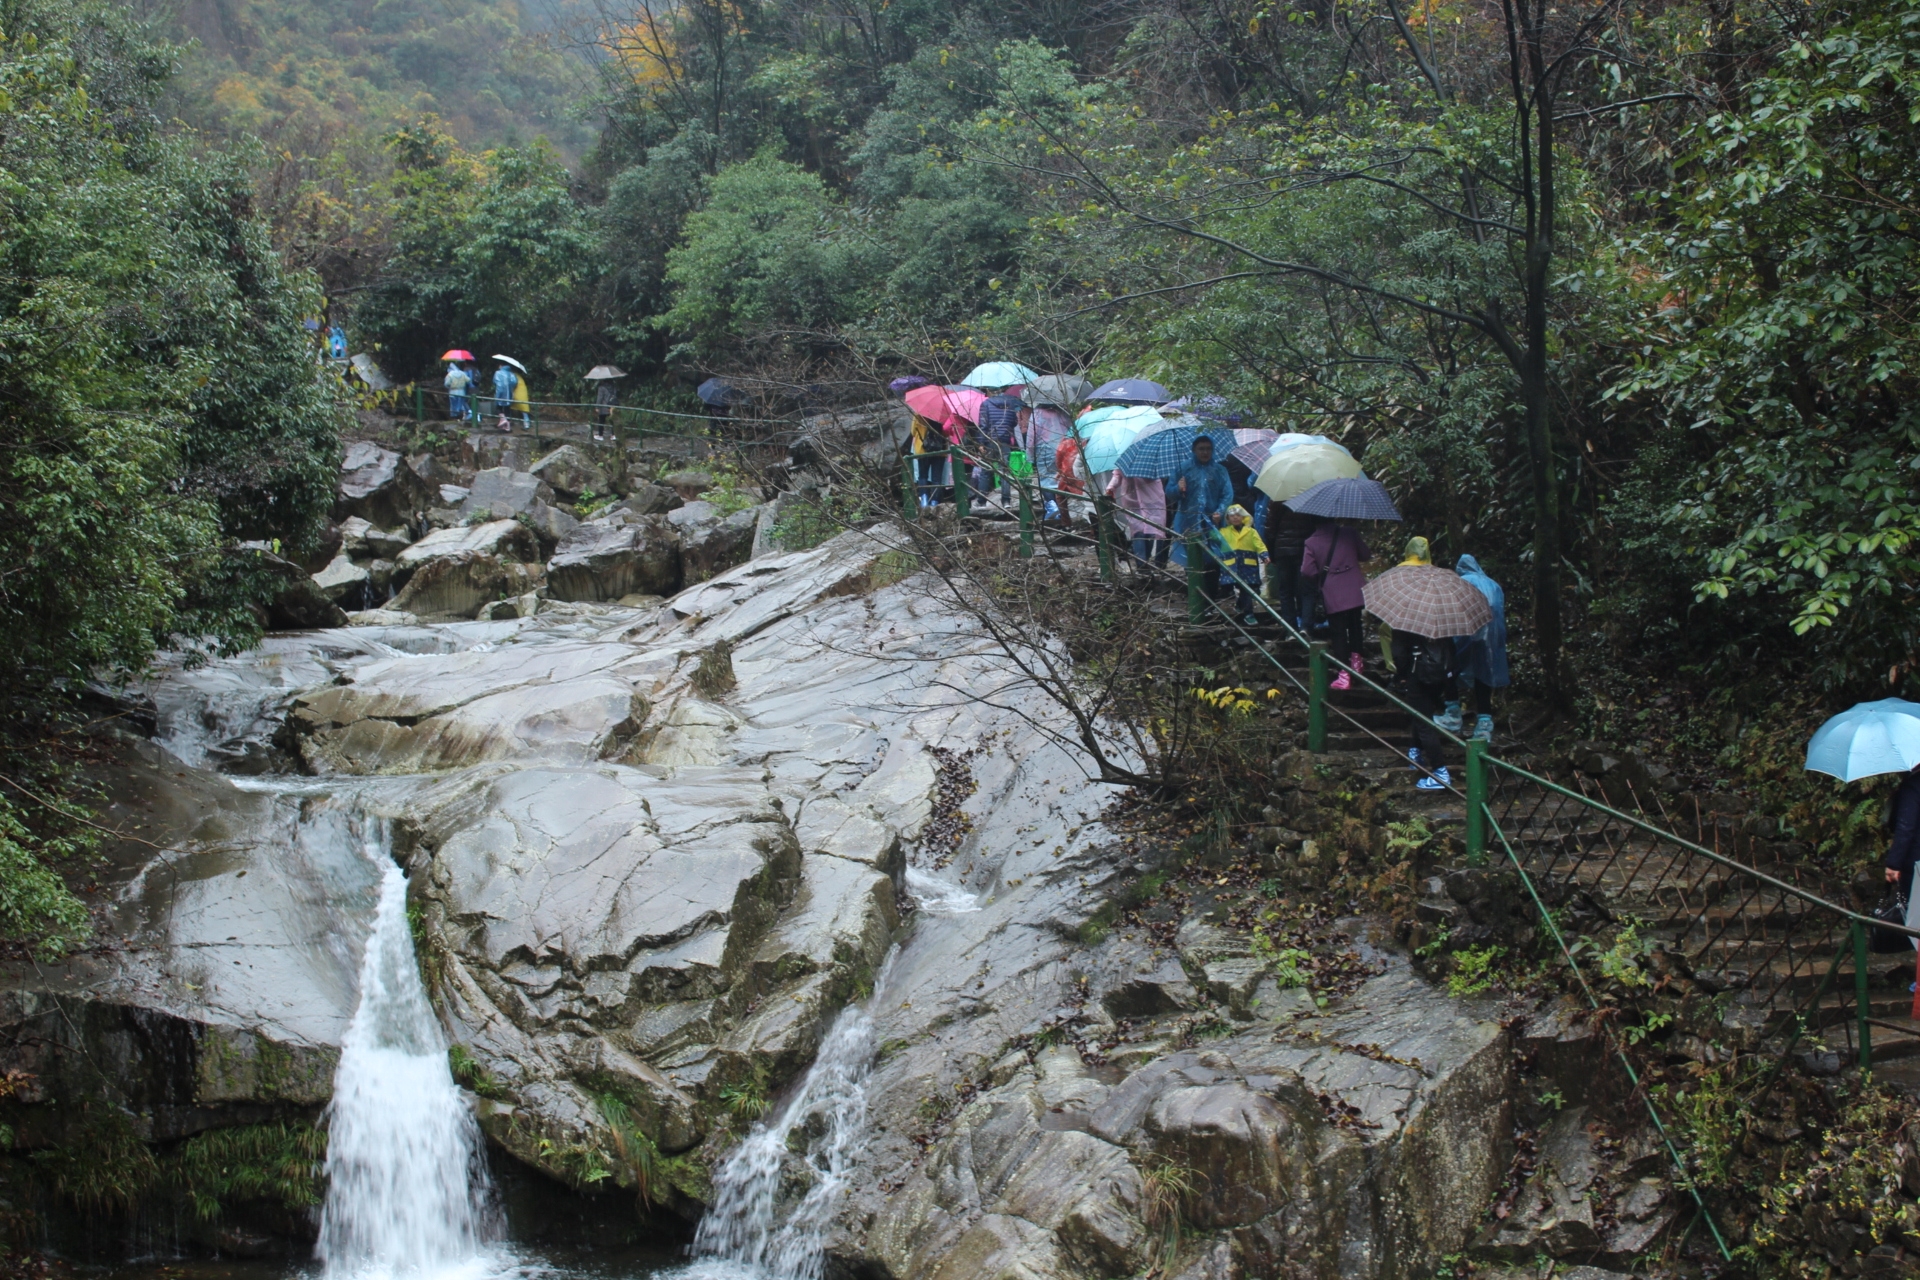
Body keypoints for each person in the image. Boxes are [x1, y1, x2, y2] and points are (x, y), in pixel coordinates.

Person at [1439, 553, 1508, 742]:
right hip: (1492, 636)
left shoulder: (1461, 581)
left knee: (1451, 668)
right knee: (1483, 674)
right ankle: (1484, 723)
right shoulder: (1493, 585)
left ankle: (1452, 713)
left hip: (1465, 630)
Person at [1301, 519, 1369, 689]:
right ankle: (1357, 664)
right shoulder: (1349, 533)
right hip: (1354, 588)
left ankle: (1344, 675)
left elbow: (1306, 570)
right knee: (1355, 626)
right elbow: (1365, 555)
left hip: (1332, 591)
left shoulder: (1311, 542)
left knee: (1338, 632)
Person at [1392, 626, 1457, 790]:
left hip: (1418, 674)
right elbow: (1451, 649)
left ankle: (1440, 772)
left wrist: (1402, 675)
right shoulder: (1442, 618)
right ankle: (1415, 752)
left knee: (1424, 723)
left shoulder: (1406, 620)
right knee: (1422, 713)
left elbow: (1399, 653)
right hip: (1440, 674)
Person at [1169, 437, 1233, 596]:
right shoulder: (1183, 469)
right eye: (1201, 449)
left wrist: (1220, 510)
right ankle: (1196, 599)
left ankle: (1210, 599)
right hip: (1187, 523)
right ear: (1194, 450)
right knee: (1192, 561)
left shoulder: (1219, 470)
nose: (1205, 452)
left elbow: (1227, 493)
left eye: (1208, 448)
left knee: (1213, 560)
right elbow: (1169, 494)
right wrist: (1178, 488)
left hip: (1212, 523)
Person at [1265, 500, 1321, 633]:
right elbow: (1316, 526)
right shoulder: (1312, 499)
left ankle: (1290, 629)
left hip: (1282, 552)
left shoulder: (1277, 501)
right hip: (1305, 550)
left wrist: (1272, 554)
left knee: (1286, 592)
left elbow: (1270, 530)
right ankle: (1306, 626)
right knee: (1306, 590)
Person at [1106, 465, 1169, 572]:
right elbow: (1117, 474)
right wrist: (1111, 487)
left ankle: (1145, 561)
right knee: (1138, 531)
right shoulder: (1127, 460)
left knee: (1151, 531)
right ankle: (1141, 564)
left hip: (1152, 499)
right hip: (1133, 499)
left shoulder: (1152, 459)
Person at [973, 384, 1025, 506]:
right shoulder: (1010, 404)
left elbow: (983, 425)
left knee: (986, 471)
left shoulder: (986, 404)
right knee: (1005, 472)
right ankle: (1006, 501)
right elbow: (1014, 422)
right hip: (1004, 440)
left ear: (989, 392)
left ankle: (981, 502)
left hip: (989, 440)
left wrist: (981, 443)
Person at [1216, 505, 1269, 622]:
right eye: (1232, 516)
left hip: (1248, 565)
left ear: (1243, 517)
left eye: (1238, 515)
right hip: (1231, 566)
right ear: (1228, 519)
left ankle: (1245, 609)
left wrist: (1264, 554)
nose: (1235, 518)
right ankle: (1245, 611)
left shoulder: (1251, 532)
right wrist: (1215, 523)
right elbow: (1213, 537)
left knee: (1250, 588)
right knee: (1239, 588)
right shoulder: (1223, 532)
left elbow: (1259, 544)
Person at [910, 412, 949, 507]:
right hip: (940, 450)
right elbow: (947, 432)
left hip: (923, 450)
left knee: (923, 476)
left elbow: (913, 431)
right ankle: (934, 502)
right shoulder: (944, 414)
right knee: (937, 478)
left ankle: (924, 500)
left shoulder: (919, 413)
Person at [492, 364, 518, 432]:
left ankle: (503, 419)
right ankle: (507, 427)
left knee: (498, 407)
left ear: (501, 365)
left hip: (500, 392)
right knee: (507, 409)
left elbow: (494, 381)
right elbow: (515, 382)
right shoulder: (511, 374)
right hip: (509, 393)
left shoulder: (497, 373)